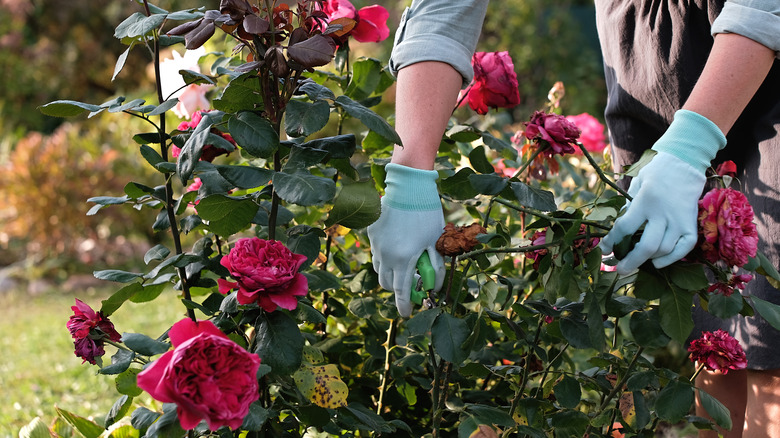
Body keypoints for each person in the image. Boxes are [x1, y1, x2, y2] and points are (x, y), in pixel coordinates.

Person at [366, 1, 780, 436]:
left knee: (772, 355)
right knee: (720, 340)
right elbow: (447, 8)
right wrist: (409, 174)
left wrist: (690, 145)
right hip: (642, 40)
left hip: (759, 31)